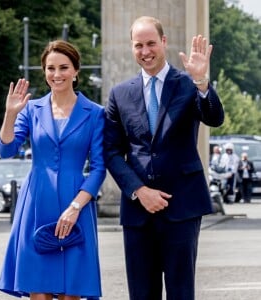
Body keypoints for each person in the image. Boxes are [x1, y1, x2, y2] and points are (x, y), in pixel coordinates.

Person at [103, 16, 224, 300]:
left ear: (164, 42)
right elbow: (111, 152)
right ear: (132, 48)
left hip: (182, 205)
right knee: (142, 294)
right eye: (138, 45)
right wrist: (139, 191)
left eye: (151, 44)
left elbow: (214, 118)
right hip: (138, 211)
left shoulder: (188, 83)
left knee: (181, 293)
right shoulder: (119, 94)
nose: (145, 51)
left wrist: (202, 82)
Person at [0, 40, 106, 300]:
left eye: (64, 67)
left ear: (76, 71)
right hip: (36, 204)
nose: (57, 74)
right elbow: (6, 150)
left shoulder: (95, 113)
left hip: (76, 205)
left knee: (72, 294)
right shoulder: (31, 109)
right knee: (39, 290)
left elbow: (100, 168)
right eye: (50, 68)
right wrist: (10, 115)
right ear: (44, 71)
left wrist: (76, 207)